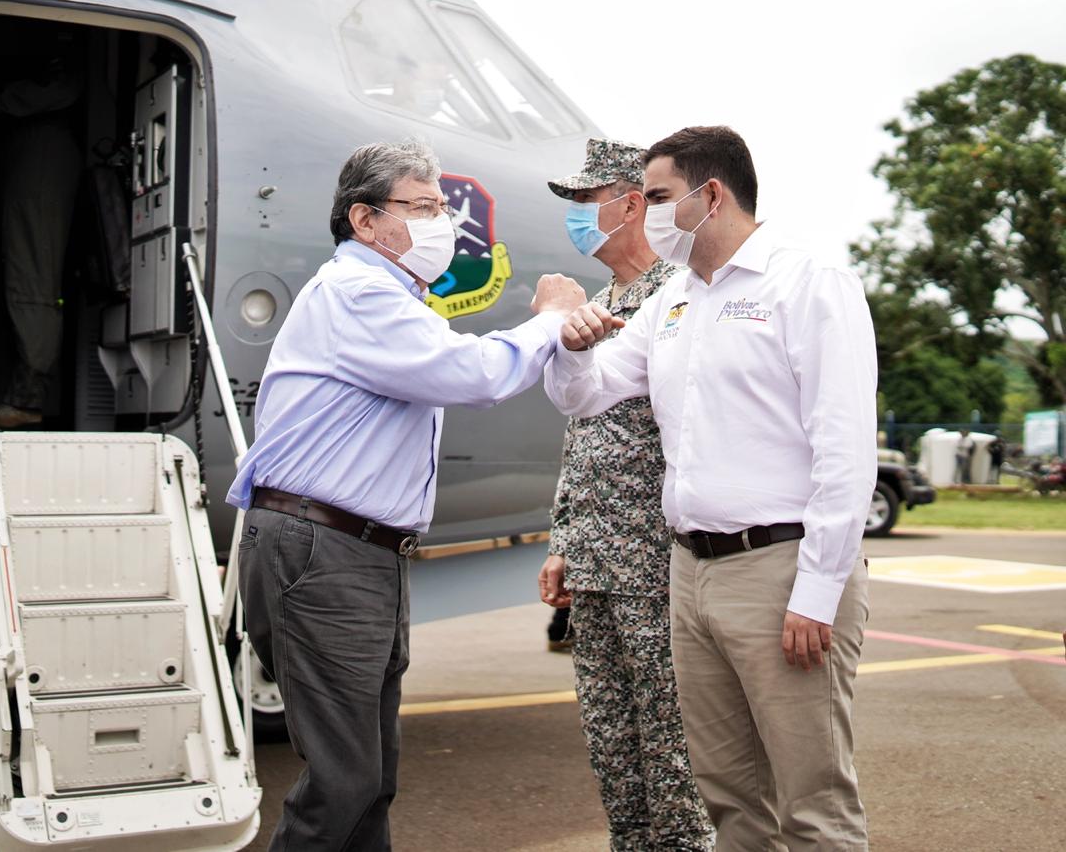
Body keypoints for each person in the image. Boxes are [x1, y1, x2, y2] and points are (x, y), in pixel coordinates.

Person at [227, 140, 585, 850]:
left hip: (355, 551)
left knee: (370, 777)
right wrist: (548, 319)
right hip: (326, 551)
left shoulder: (388, 297)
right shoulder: (358, 292)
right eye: (421, 208)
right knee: (344, 780)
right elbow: (472, 374)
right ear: (365, 219)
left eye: (440, 208)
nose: (441, 223)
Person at [543, 126, 877, 850]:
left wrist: (817, 589)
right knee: (727, 795)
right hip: (690, 573)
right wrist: (569, 348)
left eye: (658, 197)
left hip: (780, 567)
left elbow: (844, 453)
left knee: (812, 802)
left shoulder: (807, 283)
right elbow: (591, 395)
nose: (647, 212)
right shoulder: (676, 301)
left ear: (711, 194)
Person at [538, 137, 714, 851]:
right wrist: (562, 540)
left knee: (672, 752)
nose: (576, 216)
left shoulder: (675, 296)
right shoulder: (604, 302)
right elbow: (581, 433)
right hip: (597, 561)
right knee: (614, 746)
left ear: (632, 202)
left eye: (586, 200)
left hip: (654, 562)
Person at [0, 18, 85, 428]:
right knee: (16, 277)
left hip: (40, 157)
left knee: (31, 280)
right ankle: (12, 392)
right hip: (24, 156)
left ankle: (26, 398)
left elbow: (65, 83)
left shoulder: (50, 33)